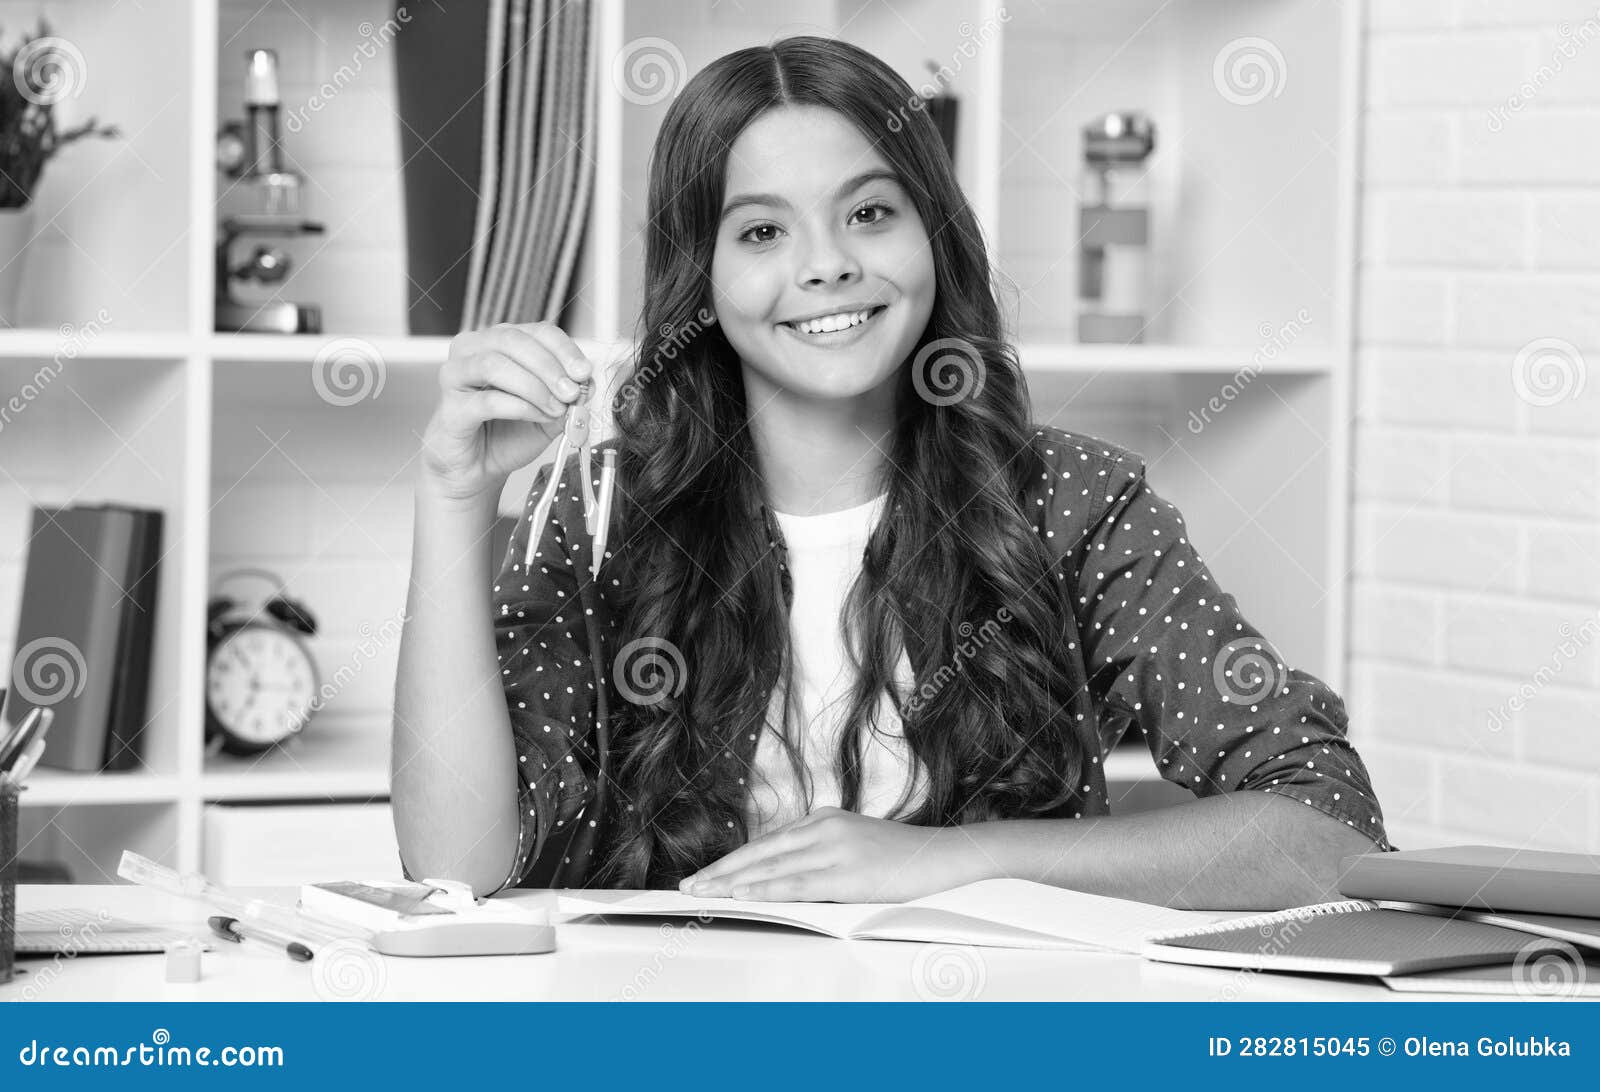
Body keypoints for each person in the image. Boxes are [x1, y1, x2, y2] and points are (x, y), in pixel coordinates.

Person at [392, 36, 1391, 910]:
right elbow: (457, 868)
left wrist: (952, 863)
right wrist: (455, 497)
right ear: (700, 276)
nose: (825, 265)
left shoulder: (1075, 502)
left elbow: (1324, 835)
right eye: (761, 231)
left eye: (869, 212)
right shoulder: (603, 510)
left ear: (933, 234)